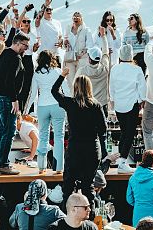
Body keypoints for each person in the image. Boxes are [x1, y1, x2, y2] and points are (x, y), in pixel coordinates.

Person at [51, 68, 106, 208]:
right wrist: (104, 151)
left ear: (75, 88)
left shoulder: (70, 103)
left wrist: (62, 76)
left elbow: (54, 91)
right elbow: (103, 129)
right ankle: (91, 214)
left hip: (75, 148)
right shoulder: (96, 105)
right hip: (92, 148)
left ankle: (66, 213)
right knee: (88, 186)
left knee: (68, 185)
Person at [0, 31, 30, 175]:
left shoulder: (5, 53)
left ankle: (1, 160)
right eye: (24, 45)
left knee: (3, 130)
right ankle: (3, 163)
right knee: (9, 131)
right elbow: (10, 81)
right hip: (6, 98)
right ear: (18, 43)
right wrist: (15, 100)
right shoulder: (13, 58)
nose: (26, 48)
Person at [26, 50, 69, 174]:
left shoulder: (37, 74)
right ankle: (59, 168)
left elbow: (32, 93)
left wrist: (26, 110)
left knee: (43, 136)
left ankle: (41, 166)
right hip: (57, 105)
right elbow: (65, 89)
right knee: (59, 137)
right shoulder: (57, 71)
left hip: (42, 106)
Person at [110, 43, 147, 173]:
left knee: (124, 133)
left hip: (119, 105)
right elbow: (142, 88)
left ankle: (121, 161)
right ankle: (122, 162)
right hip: (132, 105)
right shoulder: (137, 69)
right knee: (129, 134)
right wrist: (142, 100)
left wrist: (113, 100)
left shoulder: (114, 69)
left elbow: (111, 87)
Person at [75, 37, 110, 116]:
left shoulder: (82, 71)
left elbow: (75, 87)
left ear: (89, 59)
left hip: (87, 104)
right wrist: (104, 36)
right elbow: (105, 52)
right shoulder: (105, 68)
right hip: (102, 104)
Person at [63, 11, 93, 84]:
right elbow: (64, 44)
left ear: (81, 19)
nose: (76, 18)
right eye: (74, 16)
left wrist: (83, 53)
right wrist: (65, 43)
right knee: (70, 81)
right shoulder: (68, 28)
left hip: (81, 59)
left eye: (78, 16)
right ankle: (72, 95)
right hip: (70, 59)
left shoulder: (86, 30)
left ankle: (80, 95)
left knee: (80, 81)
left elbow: (90, 45)